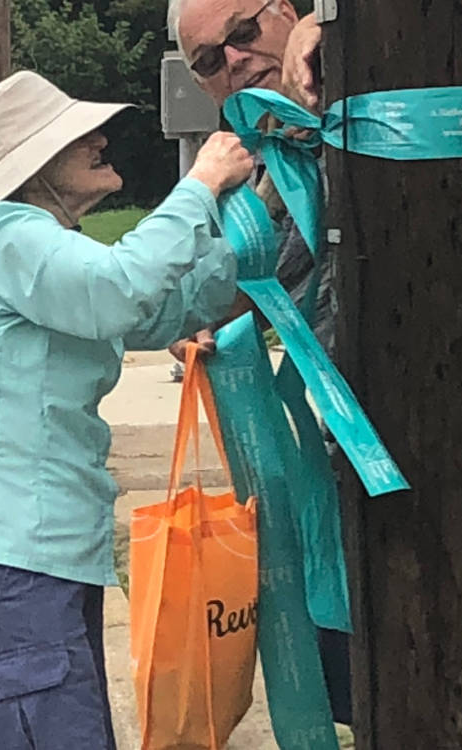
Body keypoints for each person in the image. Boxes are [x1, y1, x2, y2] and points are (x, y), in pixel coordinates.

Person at [0, 70, 253, 749]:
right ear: (29, 167)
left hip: (12, 559)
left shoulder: (27, 252)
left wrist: (264, 219)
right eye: (75, 135)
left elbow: (160, 309)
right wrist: (200, 184)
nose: (100, 140)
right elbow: (119, 290)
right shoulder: (2, 233)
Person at [168, 0, 353, 725]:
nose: (235, 60)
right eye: (210, 60)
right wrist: (192, 318)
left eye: (243, 33)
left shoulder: (360, 81)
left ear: (285, 11)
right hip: (347, 465)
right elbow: (235, 286)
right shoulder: (260, 164)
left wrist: (328, 29)